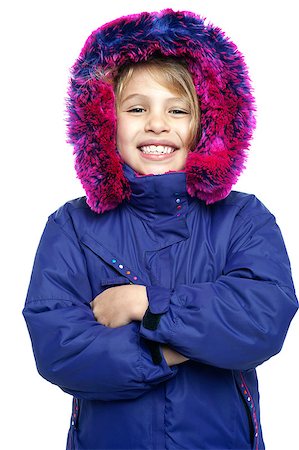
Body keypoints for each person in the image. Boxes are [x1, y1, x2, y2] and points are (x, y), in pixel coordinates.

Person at [23, 9, 298, 450]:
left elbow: (261, 318)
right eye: (136, 108)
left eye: (177, 110)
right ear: (105, 123)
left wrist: (146, 305)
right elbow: (61, 349)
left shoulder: (244, 219)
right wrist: (172, 347)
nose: (157, 124)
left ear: (206, 125)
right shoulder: (72, 227)